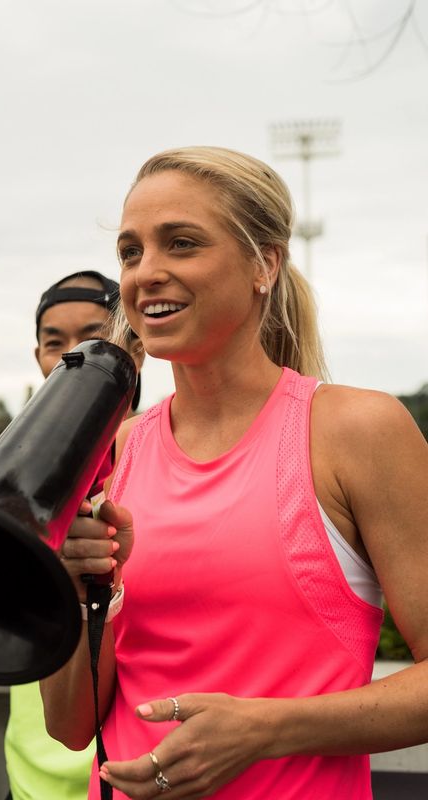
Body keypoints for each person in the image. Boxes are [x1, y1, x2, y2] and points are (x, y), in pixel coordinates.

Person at [40, 147, 428, 800]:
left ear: (263, 263)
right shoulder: (119, 449)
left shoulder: (354, 430)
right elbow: (70, 726)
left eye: (182, 244)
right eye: (131, 253)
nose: (146, 275)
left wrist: (266, 729)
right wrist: (81, 596)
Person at [4, 270, 143, 800]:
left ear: (134, 343)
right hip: (34, 766)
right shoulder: (10, 471)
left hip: (135, 766)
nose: (74, 352)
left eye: (93, 335)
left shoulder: (164, 453)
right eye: (54, 342)